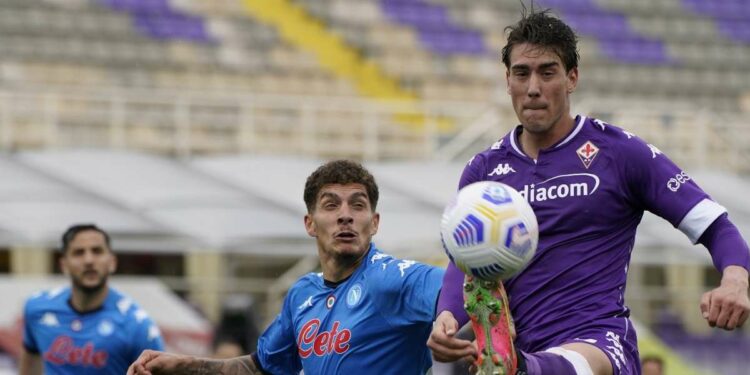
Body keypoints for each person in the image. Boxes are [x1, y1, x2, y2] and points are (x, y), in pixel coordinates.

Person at [427, 6, 750, 375]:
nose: (533, 87)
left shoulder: (620, 153)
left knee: (574, 363)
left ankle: (525, 368)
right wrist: (447, 319)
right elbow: (462, 260)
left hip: (600, 341)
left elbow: (715, 225)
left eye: (547, 72)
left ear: (572, 78)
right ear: (508, 81)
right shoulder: (483, 171)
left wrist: (736, 280)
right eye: (522, 73)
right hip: (521, 345)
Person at [128, 159, 445, 374]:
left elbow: (462, 288)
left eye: (358, 205)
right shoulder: (302, 294)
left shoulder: (394, 278)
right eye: (331, 204)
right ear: (310, 224)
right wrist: (182, 365)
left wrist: (454, 323)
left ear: (374, 223)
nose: (345, 215)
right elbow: (262, 368)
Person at [19, 224, 165, 374]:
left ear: (112, 262)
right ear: (64, 265)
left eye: (97, 251)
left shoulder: (137, 325)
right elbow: (30, 363)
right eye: (78, 253)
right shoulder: (37, 309)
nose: (89, 260)